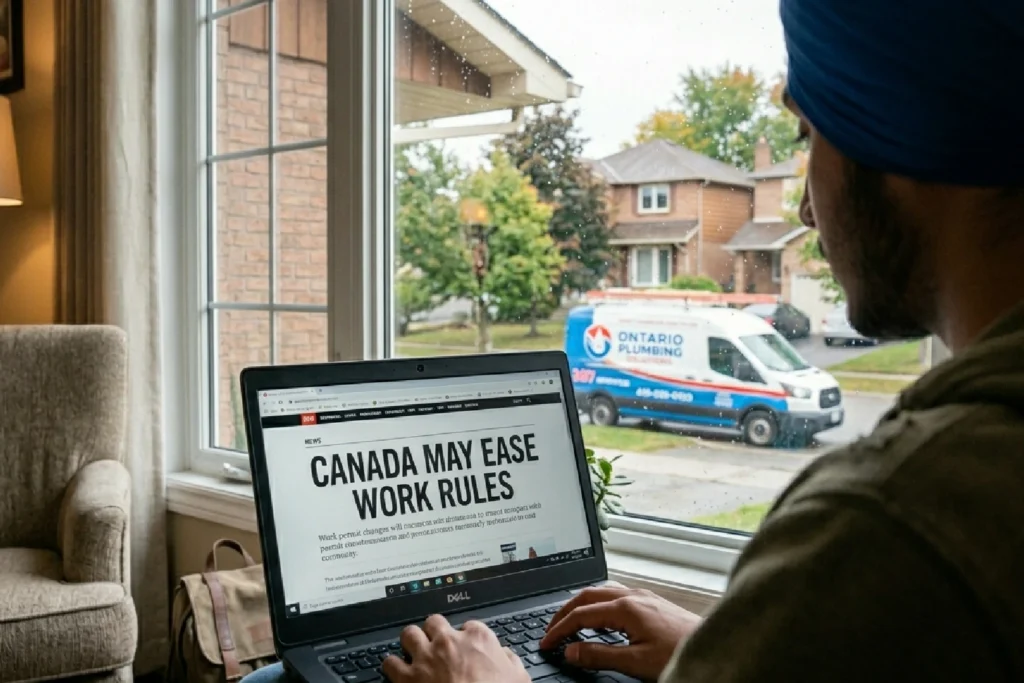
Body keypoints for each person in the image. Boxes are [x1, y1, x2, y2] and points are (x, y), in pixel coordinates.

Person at [243, 0, 1024, 681]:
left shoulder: (888, 525)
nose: (810, 210)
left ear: (903, 129)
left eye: (809, 131)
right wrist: (725, 648)